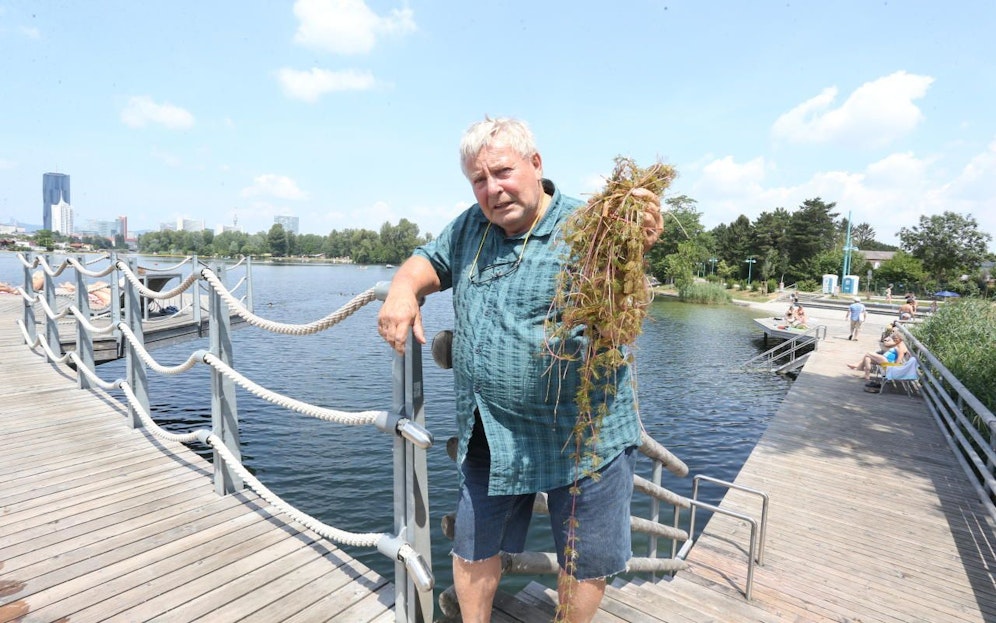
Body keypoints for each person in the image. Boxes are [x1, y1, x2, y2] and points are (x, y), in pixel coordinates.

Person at [377, 117, 664, 623]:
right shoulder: (471, 226)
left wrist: (635, 236)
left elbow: (627, 290)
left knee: (583, 558)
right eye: (479, 180)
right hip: (493, 429)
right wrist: (403, 290)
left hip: (584, 433)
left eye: (502, 172)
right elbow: (427, 260)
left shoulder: (590, 227)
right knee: (472, 544)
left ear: (536, 165)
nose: (492, 189)